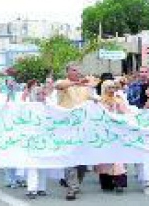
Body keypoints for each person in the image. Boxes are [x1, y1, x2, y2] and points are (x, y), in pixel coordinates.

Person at [55, 62, 100, 201]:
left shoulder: (84, 88)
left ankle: (76, 183)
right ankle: (72, 187)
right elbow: (59, 86)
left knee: (82, 160)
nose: (77, 73)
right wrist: (76, 83)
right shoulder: (63, 83)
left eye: (78, 70)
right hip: (68, 126)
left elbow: (91, 99)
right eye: (74, 70)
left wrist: (99, 100)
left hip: (83, 127)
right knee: (70, 157)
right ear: (68, 72)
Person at [95, 80, 129, 193]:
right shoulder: (99, 102)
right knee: (104, 158)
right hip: (103, 133)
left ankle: (120, 183)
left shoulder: (118, 100)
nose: (111, 90)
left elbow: (126, 113)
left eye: (113, 87)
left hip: (116, 132)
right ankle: (106, 182)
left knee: (118, 158)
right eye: (109, 87)